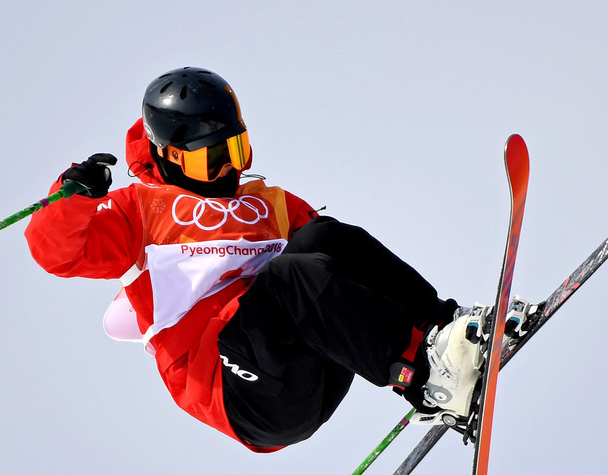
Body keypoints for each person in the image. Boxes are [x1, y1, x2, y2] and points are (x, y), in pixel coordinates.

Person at [25, 67, 493, 453]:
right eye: (211, 159)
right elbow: (57, 253)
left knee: (324, 237)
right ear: (169, 157)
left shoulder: (268, 202)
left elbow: (346, 263)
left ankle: (450, 335)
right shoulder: (139, 211)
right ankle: (426, 378)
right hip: (241, 390)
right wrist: (70, 197)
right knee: (292, 276)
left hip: (310, 366)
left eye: (236, 151)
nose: (229, 170)